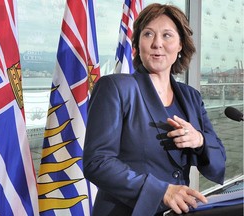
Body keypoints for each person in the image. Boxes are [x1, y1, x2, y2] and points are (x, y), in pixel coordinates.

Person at [83, 3, 226, 216]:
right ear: (138, 44)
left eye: (167, 35)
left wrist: (199, 140)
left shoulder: (191, 97)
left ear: (180, 45)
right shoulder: (115, 87)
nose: (157, 43)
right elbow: (97, 162)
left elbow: (218, 160)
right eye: (148, 34)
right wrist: (161, 191)